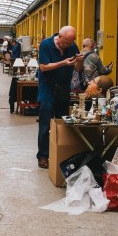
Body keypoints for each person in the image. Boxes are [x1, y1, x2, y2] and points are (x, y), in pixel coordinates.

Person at [37, 26, 84, 169]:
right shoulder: (46, 45)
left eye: (70, 43)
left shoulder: (72, 46)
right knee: (45, 124)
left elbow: (76, 69)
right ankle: (43, 156)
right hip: (47, 89)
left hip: (63, 88)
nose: (67, 46)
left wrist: (80, 61)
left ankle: (62, 153)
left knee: (63, 123)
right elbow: (43, 67)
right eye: (66, 42)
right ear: (60, 36)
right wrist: (63, 63)